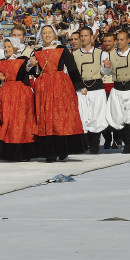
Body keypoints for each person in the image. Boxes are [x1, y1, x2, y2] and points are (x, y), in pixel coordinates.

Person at [30, 24, 85, 162]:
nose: (47, 35)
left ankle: (62, 149)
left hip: (60, 85)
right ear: (40, 36)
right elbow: (31, 72)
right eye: (44, 33)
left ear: (54, 35)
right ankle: (50, 152)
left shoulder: (61, 49)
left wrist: (79, 85)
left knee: (60, 118)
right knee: (46, 118)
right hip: (43, 87)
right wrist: (32, 65)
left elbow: (72, 68)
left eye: (49, 32)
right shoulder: (36, 51)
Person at [0, 36, 36, 161]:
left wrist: (30, 64)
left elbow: (28, 70)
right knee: (7, 121)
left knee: (21, 122)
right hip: (6, 94)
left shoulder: (23, 60)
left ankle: (23, 152)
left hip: (21, 94)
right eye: (5, 47)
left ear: (15, 48)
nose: (7, 49)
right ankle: (10, 152)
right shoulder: (1, 62)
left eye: (9, 47)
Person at [71, 26, 111, 154]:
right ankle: (85, 145)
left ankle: (95, 146)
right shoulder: (74, 54)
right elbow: (71, 73)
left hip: (97, 88)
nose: (83, 38)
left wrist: (107, 66)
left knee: (97, 117)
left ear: (92, 37)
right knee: (83, 117)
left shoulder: (101, 53)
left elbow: (106, 72)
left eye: (85, 36)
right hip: (81, 90)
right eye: (81, 36)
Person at [104, 29, 130, 155]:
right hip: (117, 90)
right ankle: (124, 140)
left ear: (128, 41)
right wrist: (106, 67)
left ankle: (128, 144)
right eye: (118, 40)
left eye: (122, 40)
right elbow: (107, 73)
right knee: (118, 119)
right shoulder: (111, 55)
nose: (119, 42)